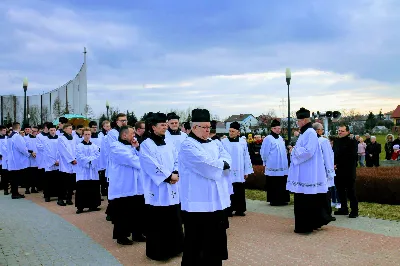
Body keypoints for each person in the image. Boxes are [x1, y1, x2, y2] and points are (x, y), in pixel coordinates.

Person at [179, 108, 231, 265]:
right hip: (197, 205)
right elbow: (206, 165)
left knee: (215, 243)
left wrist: (220, 163)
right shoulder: (188, 145)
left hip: (216, 202)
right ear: (194, 127)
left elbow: (227, 157)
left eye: (209, 127)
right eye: (205, 127)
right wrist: (221, 164)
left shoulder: (214, 143)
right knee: (197, 245)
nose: (208, 130)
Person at [140, 112, 184, 260]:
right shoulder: (146, 144)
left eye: (166, 124)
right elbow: (150, 164)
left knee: (173, 219)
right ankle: (159, 252)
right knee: (158, 221)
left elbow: (177, 158)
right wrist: (168, 176)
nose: (165, 127)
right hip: (157, 188)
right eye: (162, 125)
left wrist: (176, 172)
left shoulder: (169, 142)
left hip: (172, 186)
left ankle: (176, 248)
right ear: (153, 127)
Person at [286, 108, 330, 233]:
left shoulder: (310, 132)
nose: (297, 123)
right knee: (302, 199)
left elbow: (309, 151)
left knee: (305, 200)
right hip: (303, 171)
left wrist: (293, 151)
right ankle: (303, 226)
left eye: (298, 121)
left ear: (304, 120)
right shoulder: (305, 132)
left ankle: (305, 227)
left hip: (307, 172)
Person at [108, 125, 145, 245]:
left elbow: (142, 157)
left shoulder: (131, 146)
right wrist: (144, 162)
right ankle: (121, 236)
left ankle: (137, 233)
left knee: (138, 211)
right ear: (124, 135)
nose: (134, 136)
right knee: (123, 212)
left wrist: (137, 148)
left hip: (136, 185)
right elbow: (133, 161)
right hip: (123, 186)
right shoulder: (116, 147)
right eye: (132, 134)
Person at [221, 121, 253, 216]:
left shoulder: (243, 142)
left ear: (238, 132)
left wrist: (247, 171)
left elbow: (246, 157)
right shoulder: (223, 142)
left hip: (239, 170)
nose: (230, 133)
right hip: (228, 170)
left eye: (233, 131)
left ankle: (240, 209)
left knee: (239, 189)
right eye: (230, 131)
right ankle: (228, 209)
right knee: (228, 189)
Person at [261, 119, 290, 206]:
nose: (278, 130)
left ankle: (283, 199)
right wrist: (265, 161)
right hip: (273, 164)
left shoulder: (280, 138)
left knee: (282, 182)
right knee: (274, 183)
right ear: (272, 129)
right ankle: (274, 200)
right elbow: (264, 152)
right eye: (277, 128)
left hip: (282, 165)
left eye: (279, 128)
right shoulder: (268, 139)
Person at [333, 125, 359, 218]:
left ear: (348, 132)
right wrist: (333, 164)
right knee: (340, 191)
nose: (340, 132)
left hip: (348, 171)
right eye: (339, 130)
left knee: (351, 192)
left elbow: (350, 157)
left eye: (342, 131)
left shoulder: (352, 142)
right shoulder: (336, 141)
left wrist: (338, 164)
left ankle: (354, 211)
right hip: (337, 171)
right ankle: (344, 209)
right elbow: (335, 154)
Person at [75, 127, 102, 214]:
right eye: (85, 134)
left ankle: (93, 205)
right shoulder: (79, 146)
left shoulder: (94, 146)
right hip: (83, 170)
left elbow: (98, 155)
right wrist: (89, 160)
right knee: (82, 187)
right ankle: (80, 207)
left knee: (93, 187)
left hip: (93, 170)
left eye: (89, 134)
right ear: (82, 135)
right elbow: (79, 157)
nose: (87, 136)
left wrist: (91, 161)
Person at [313, 123, 336, 221]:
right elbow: (329, 156)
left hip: (313, 172)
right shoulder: (323, 141)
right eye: (322, 129)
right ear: (318, 130)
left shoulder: (307, 141)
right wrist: (331, 171)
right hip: (323, 171)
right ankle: (326, 214)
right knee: (325, 193)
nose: (322, 131)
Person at [8, 122, 35, 199]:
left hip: (12, 159)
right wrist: (28, 153)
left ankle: (14, 192)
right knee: (16, 178)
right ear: (19, 128)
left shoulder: (10, 136)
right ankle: (15, 194)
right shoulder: (17, 136)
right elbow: (22, 148)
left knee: (13, 178)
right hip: (17, 160)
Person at [57, 123, 77, 206]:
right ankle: (60, 199)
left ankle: (69, 198)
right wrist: (71, 159)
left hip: (73, 163)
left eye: (71, 128)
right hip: (65, 162)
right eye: (69, 128)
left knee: (71, 183)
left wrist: (75, 158)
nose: (71, 130)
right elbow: (63, 150)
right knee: (63, 183)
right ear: (64, 129)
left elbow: (75, 149)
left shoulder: (73, 138)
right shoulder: (61, 138)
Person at [43, 123, 61, 202]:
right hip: (49, 163)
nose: (53, 131)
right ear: (48, 131)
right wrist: (53, 161)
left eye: (54, 130)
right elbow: (47, 152)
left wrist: (58, 160)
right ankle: (47, 196)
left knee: (57, 179)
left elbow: (60, 151)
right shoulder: (46, 140)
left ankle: (57, 194)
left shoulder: (59, 139)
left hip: (58, 162)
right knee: (48, 180)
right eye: (51, 130)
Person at [24, 126, 40, 194]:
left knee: (35, 175)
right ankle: (27, 189)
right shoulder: (25, 138)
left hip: (36, 159)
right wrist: (31, 152)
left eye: (35, 131)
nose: (33, 132)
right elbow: (24, 148)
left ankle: (33, 188)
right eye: (32, 130)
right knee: (28, 175)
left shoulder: (38, 138)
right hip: (28, 159)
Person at [0, 125, 9, 195]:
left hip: (7, 158)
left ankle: (7, 189)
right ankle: (4, 188)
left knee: (7, 174)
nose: (5, 131)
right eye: (3, 130)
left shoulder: (7, 138)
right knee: (3, 174)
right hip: (1, 158)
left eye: (5, 130)